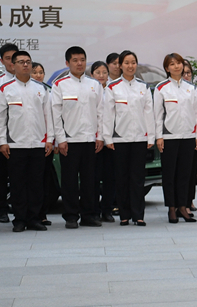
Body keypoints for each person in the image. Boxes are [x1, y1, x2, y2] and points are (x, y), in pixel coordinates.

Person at [51, 46, 104, 229]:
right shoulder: (59, 85)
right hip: (69, 141)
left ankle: (89, 215)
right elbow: (56, 115)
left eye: (82, 60)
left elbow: (101, 113)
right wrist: (61, 139)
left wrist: (100, 137)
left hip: (91, 140)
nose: (79, 63)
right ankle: (71, 216)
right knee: (69, 181)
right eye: (75, 60)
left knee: (90, 180)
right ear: (67, 63)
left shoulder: (94, 85)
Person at [0, 51, 53, 232]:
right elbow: (1, 118)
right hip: (15, 145)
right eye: (21, 62)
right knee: (17, 184)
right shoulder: (6, 89)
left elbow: (48, 116)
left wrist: (49, 139)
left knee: (36, 183)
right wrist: (2, 141)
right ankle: (20, 219)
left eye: (28, 62)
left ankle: (34, 218)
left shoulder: (41, 88)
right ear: (13, 65)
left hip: (38, 143)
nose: (25, 65)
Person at [103, 51, 154, 226]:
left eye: (133, 62)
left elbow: (148, 113)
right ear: (120, 65)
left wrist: (151, 136)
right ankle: (124, 214)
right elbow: (108, 114)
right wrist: (108, 137)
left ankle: (138, 215)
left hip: (140, 138)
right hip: (120, 139)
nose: (130, 66)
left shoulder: (143, 87)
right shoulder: (113, 87)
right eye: (126, 63)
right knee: (122, 178)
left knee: (138, 178)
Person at [154, 53, 197, 224]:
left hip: (188, 136)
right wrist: (159, 136)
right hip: (169, 137)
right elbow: (157, 115)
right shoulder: (161, 88)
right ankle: (171, 208)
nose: (176, 66)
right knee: (169, 174)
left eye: (179, 63)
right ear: (167, 68)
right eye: (172, 64)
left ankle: (183, 206)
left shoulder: (191, 88)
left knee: (184, 174)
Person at [33, 61, 59, 227]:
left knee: (44, 180)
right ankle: (29, 214)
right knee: (31, 181)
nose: (38, 75)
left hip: (47, 142)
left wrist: (53, 140)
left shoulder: (49, 91)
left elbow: (54, 117)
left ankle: (42, 214)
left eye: (41, 72)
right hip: (30, 142)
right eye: (35, 72)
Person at [90, 60, 116, 222]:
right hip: (94, 140)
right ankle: (93, 209)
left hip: (111, 141)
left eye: (104, 72)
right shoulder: (90, 90)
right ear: (92, 74)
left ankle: (107, 209)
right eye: (98, 72)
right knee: (93, 177)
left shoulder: (113, 89)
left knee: (109, 178)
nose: (101, 75)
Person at [0, 42, 18, 224]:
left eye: (15, 58)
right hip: (3, 138)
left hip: (22, 139)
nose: (12, 62)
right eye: (8, 59)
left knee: (20, 177)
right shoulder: (0, 83)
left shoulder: (31, 82)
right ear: (2, 61)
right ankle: (2, 210)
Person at [181, 62, 197, 213]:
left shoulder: (195, 90)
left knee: (192, 170)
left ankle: (190, 200)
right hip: (179, 135)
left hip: (194, 135)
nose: (186, 76)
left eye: (188, 73)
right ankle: (181, 203)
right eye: (184, 73)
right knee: (182, 171)